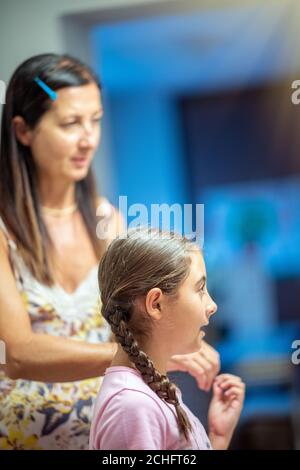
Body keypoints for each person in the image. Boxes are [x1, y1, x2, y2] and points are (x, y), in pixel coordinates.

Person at [0, 54, 220, 449]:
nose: (88, 138)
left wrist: (181, 335)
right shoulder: (4, 230)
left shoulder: (107, 220)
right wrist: (145, 356)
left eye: (95, 120)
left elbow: (141, 313)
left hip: (115, 426)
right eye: (70, 123)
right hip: (22, 436)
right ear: (23, 131)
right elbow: (18, 352)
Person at [90, 228, 245, 450]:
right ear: (156, 304)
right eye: (200, 289)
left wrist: (218, 438)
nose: (212, 306)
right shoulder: (132, 407)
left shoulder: (147, 393)